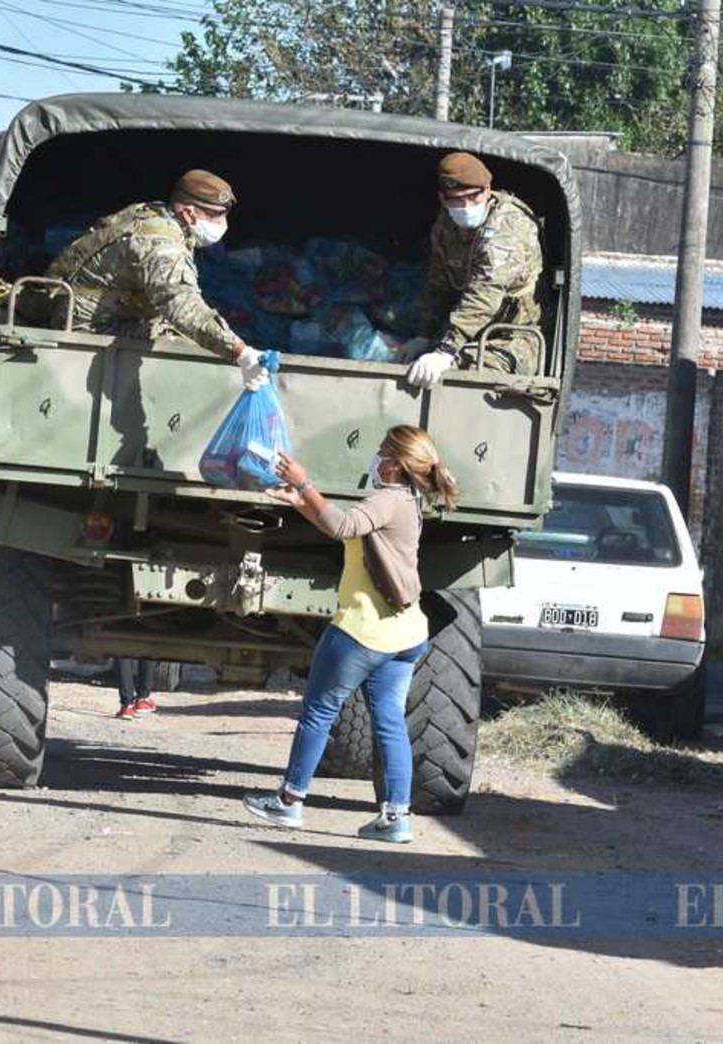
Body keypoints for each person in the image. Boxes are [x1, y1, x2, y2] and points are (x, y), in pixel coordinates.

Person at [243, 425, 459, 844]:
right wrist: (302, 503)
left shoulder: (387, 499)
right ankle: (396, 816)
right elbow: (350, 530)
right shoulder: (409, 501)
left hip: (363, 630)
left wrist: (303, 482)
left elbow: (343, 526)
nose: (374, 457)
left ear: (395, 464)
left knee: (318, 713)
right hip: (404, 633)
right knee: (390, 723)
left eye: (380, 451)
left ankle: (289, 802)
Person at [44, 169, 270, 390]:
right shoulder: (161, 244)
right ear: (189, 214)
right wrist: (241, 353)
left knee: (188, 340)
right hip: (92, 328)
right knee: (196, 362)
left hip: (109, 314)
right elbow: (183, 308)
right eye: (215, 215)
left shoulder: (156, 214)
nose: (223, 223)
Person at [403, 152, 546, 389]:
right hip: (469, 332)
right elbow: (438, 282)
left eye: (473, 196)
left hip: (514, 337)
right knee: (406, 362)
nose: (466, 207)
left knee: (462, 376)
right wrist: (423, 335)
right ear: (443, 199)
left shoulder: (509, 227)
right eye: (457, 200)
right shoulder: (446, 225)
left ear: (488, 190)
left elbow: (484, 295)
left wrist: (446, 351)